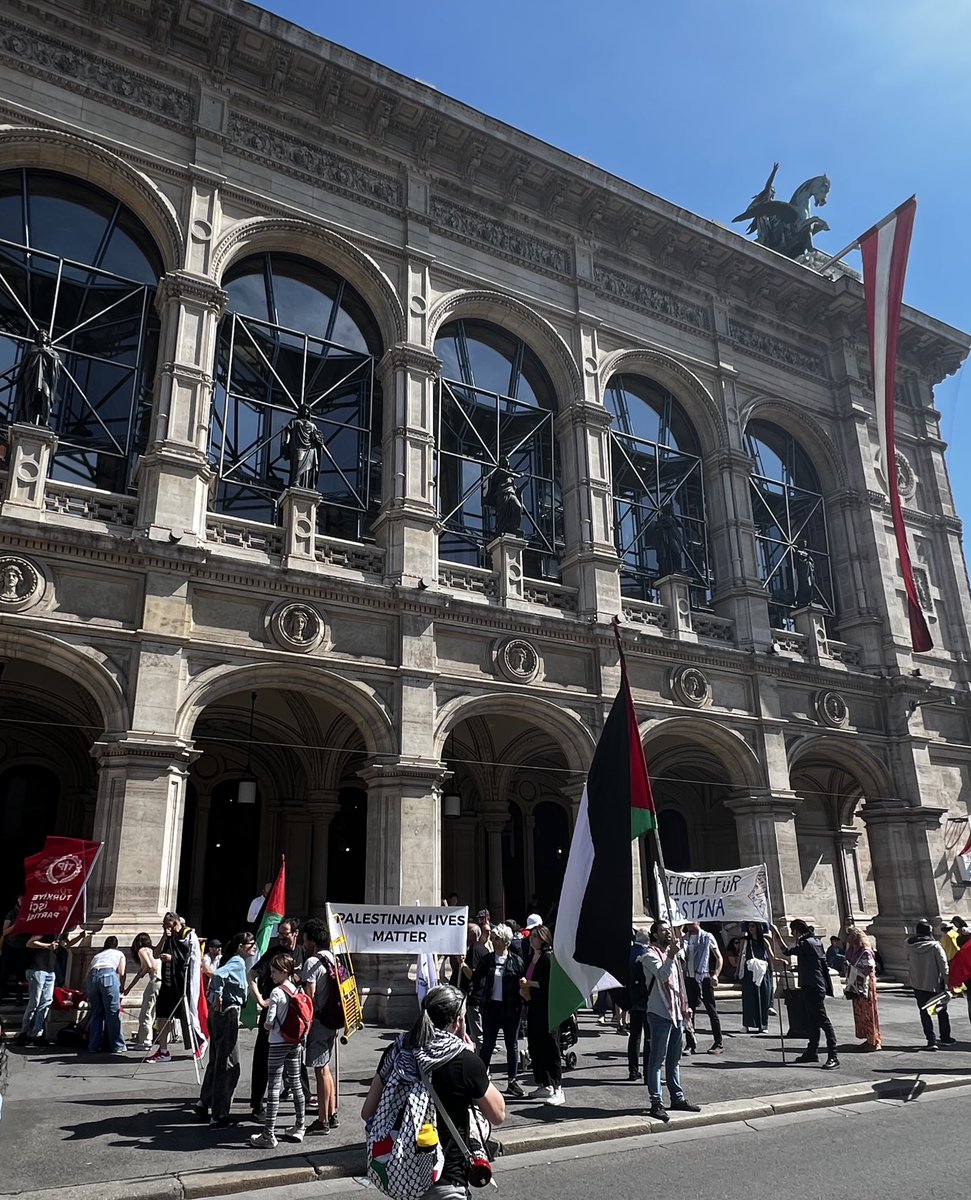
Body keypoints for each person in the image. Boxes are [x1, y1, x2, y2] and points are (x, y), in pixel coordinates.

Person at [361, 984, 505, 1199]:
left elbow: (367, 1112)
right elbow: (498, 1114)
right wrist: (474, 1062)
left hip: (404, 1175)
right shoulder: (464, 1061)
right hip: (447, 1178)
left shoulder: (397, 1050)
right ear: (457, 1022)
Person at [195, 931, 257, 1126]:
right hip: (228, 1012)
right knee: (229, 1063)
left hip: (221, 1013)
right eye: (250, 943)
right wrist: (218, 994)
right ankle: (219, 1114)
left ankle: (204, 1102)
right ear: (240, 946)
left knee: (217, 1058)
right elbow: (219, 975)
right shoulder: (237, 962)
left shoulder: (234, 960)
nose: (254, 946)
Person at [641, 920, 700, 1122]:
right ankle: (656, 1101)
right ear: (655, 935)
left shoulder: (673, 956)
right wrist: (672, 955)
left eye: (669, 930)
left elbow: (679, 983)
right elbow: (662, 975)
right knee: (657, 1059)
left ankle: (677, 1097)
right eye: (664, 931)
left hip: (677, 1014)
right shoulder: (648, 955)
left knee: (674, 1060)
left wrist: (686, 1005)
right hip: (659, 1013)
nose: (668, 933)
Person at [249, 917, 307, 1118]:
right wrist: (259, 999)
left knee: (296, 1059)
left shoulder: (302, 953)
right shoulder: (273, 953)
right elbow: (252, 973)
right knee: (265, 1060)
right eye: (279, 934)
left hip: (295, 1016)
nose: (281, 938)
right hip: (272, 1015)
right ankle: (257, 1105)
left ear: (295, 934)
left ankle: (305, 1098)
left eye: (285, 934)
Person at [770, 920, 839, 1069]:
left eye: (792, 931)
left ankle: (833, 1055)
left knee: (822, 1021)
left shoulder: (806, 942)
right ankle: (812, 1051)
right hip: (814, 983)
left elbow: (787, 951)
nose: (792, 934)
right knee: (812, 1020)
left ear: (796, 930)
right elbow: (814, 962)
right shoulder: (814, 941)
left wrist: (776, 934)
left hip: (813, 985)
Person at [473, 922, 525, 1097]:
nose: (493, 941)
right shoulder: (487, 960)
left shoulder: (516, 961)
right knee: (487, 1045)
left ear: (506, 942)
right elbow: (475, 977)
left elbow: (523, 984)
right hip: (491, 1008)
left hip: (511, 1008)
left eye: (497, 939)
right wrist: (462, 965)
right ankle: (480, 1080)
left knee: (512, 1045)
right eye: (493, 938)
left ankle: (512, 1081)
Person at [301, 917, 342, 1135]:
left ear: (312, 940)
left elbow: (310, 996)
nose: (303, 943)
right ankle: (332, 1113)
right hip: (333, 1019)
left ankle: (322, 1119)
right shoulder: (333, 958)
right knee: (327, 1067)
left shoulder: (312, 963)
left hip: (319, 1020)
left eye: (305, 938)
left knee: (321, 1070)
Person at [146, 912, 203, 1063]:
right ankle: (163, 1050)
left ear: (176, 922)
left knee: (187, 1015)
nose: (166, 927)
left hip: (181, 984)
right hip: (167, 983)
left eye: (168, 924)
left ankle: (199, 1042)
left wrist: (173, 958)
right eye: (164, 925)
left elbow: (193, 960)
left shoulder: (188, 936)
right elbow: (156, 953)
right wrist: (164, 937)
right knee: (162, 1016)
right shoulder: (169, 938)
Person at [15, 927, 84, 1046]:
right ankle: (24, 1033)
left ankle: (37, 1034)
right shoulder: (45, 927)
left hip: (50, 971)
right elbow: (30, 943)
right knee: (34, 1002)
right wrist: (47, 946)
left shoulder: (60, 931)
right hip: (37, 969)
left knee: (46, 1002)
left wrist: (80, 936)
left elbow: (67, 945)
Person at [519, 923, 564, 1106]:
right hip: (534, 1006)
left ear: (544, 938)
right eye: (531, 936)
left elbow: (548, 984)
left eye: (536, 936)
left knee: (550, 1047)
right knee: (536, 1045)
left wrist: (529, 983)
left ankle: (558, 1087)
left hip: (547, 1008)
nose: (532, 939)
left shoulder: (548, 958)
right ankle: (544, 1083)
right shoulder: (532, 957)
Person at [906, 920, 954, 1050]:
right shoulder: (935, 946)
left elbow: (908, 960)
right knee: (941, 1011)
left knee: (924, 1012)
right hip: (935, 985)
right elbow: (944, 967)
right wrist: (949, 983)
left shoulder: (909, 944)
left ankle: (931, 1040)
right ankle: (945, 1038)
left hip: (918, 984)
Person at [682, 921, 724, 1054]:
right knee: (689, 1012)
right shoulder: (684, 939)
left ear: (698, 922)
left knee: (711, 1010)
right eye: (687, 923)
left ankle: (718, 1043)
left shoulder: (707, 936)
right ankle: (690, 1043)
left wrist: (715, 975)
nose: (689, 925)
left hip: (704, 977)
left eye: (691, 922)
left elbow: (719, 957)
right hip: (689, 977)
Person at [86, 936, 127, 1054]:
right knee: (112, 1012)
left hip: (92, 977)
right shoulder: (119, 953)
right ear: (116, 945)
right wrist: (122, 987)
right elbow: (122, 972)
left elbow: (87, 974)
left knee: (96, 1012)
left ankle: (93, 1045)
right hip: (108, 975)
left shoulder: (97, 955)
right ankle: (117, 1045)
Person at [844, 927, 881, 1051]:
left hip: (865, 983)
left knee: (869, 1011)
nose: (847, 937)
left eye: (849, 935)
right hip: (856, 983)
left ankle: (874, 1040)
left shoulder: (865, 950)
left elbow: (870, 967)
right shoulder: (852, 950)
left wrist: (857, 971)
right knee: (861, 1012)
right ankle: (867, 1037)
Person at [124, 932, 161, 1052]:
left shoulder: (142, 950)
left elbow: (150, 966)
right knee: (154, 1012)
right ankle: (151, 1037)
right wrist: (129, 988)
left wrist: (143, 972)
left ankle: (145, 1041)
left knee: (146, 1012)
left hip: (154, 981)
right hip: (161, 982)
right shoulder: (153, 951)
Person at [462, 914, 493, 1051]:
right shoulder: (485, 950)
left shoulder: (475, 950)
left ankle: (482, 1066)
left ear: (472, 935)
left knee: (478, 1036)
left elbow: (472, 975)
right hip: (484, 996)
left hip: (475, 996)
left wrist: (462, 963)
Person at [626, 929, 651, 1082]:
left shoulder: (629, 952)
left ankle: (633, 1071)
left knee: (634, 1036)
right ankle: (648, 1072)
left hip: (633, 999)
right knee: (649, 1037)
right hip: (647, 1000)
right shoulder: (647, 954)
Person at [738, 923, 772, 1033]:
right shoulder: (745, 941)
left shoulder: (764, 941)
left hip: (762, 971)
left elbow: (771, 956)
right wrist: (737, 969)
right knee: (748, 998)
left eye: (753, 926)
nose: (751, 929)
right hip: (749, 971)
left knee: (763, 997)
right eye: (750, 926)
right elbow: (740, 955)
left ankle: (763, 1025)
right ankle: (747, 1024)